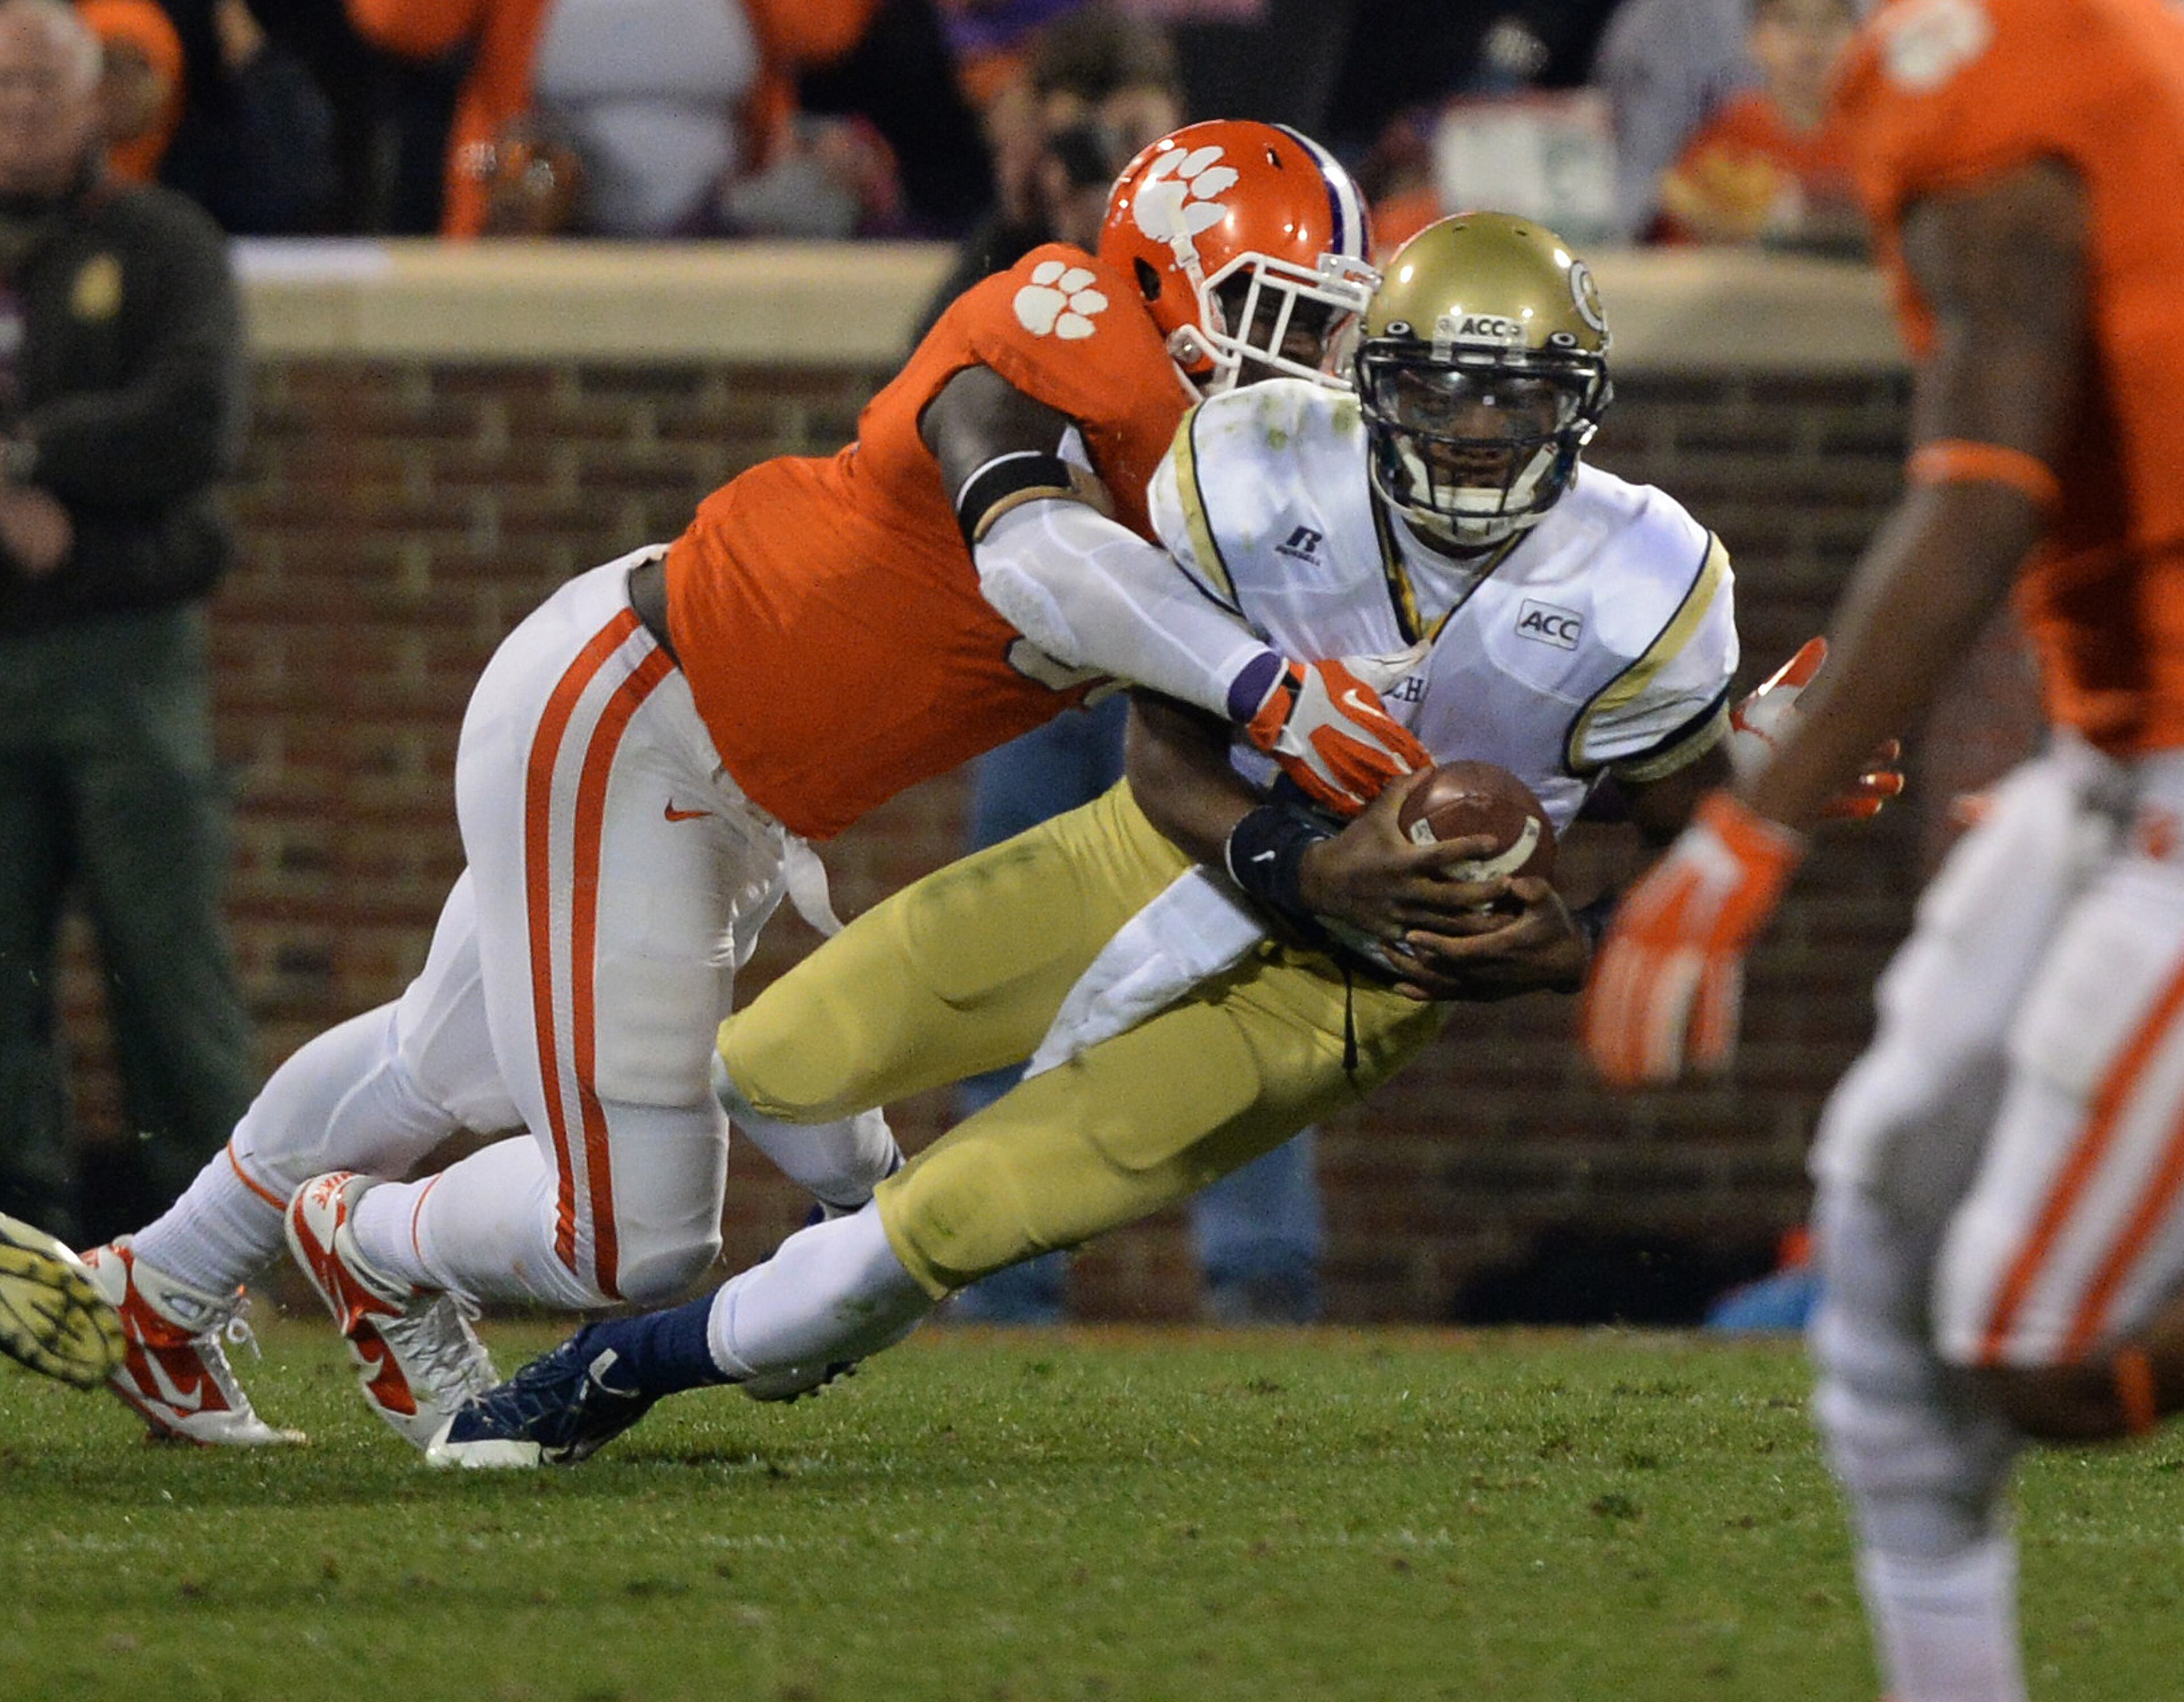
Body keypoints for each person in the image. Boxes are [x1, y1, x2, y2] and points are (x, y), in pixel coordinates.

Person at [57, 118, 1410, 1453]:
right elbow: (1032, 553)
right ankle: (371, 1242)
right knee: (633, 1239)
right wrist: (1268, 689)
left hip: (718, 763)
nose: (1302, 363)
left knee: (439, 1055)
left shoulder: (1225, 483)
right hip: (643, 709)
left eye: (1328, 327)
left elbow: (1167, 712)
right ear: (1161, 283)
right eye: (1272, 314)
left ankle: (158, 1287)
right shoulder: (1051, 318)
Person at [428, 211, 1767, 1467]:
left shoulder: (1646, 581)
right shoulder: (1254, 468)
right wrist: (1299, 862)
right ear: (1371, 384)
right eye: (1435, 392)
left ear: (1576, 409)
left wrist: (1568, 946)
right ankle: (844, 1280)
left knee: (952, 1218)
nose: (1473, 436)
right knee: (767, 1069)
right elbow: (1162, 749)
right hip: (1166, 848)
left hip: (1351, 982)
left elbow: (1684, 832)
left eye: (1514, 399)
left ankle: (636, 1361)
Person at [1579, 3, 2184, 1698]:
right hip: (2115, 753)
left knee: (2035, 1350)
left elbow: (1981, 484)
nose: (1759, 39)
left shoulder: (1975, 81)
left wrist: (1746, 830)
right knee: (1877, 1256)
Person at [0, 0, 253, 1252]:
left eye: (44, 83)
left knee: (168, 967)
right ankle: (19, 1257)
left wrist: (40, 461)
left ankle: (225, 1256)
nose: (21, 107)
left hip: (122, 650)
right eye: (0, 85)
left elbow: (195, 421)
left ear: (97, 96)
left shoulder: (161, 243)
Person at [1654, 0, 1862, 253]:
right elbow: (1678, 210)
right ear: (1755, 39)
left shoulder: (1876, 131)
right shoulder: (1733, 130)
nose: (1810, 40)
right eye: (1788, 21)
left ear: (1861, 37)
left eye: (1828, 22)